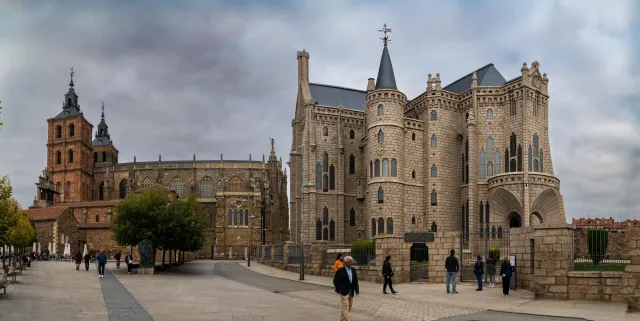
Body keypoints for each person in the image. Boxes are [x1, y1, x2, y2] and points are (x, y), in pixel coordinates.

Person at [333, 256, 359, 321]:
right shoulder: (340, 270)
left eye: (351, 262)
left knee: (349, 306)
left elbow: (355, 280)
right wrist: (339, 288)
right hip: (343, 290)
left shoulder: (353, 270)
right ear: (345, 262)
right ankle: (347, 319)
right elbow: (335, 281)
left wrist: (357, 289)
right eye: (349, 262)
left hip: (351, 290)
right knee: (345, 305)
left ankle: (342, 319)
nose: (350, 263)